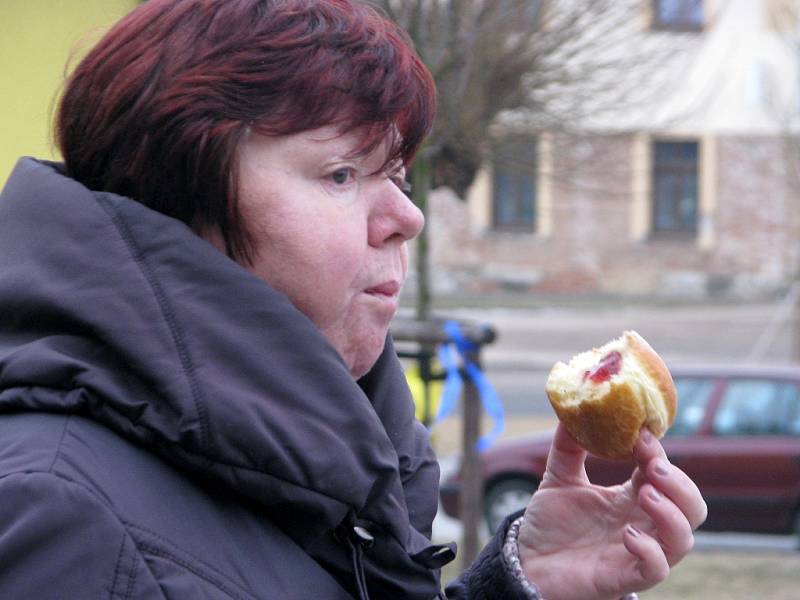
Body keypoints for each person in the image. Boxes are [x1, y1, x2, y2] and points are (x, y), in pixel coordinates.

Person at [0, 1, 706, 598]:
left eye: (396, 173)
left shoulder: (315, 467)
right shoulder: (61, 516)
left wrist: (522, 584)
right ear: (181, 196)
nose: (407, 215)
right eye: (342, 173)